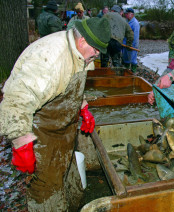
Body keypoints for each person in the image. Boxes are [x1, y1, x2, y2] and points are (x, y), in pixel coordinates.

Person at [0, 17, 111, 211]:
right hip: (41, 134)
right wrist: (21, 143)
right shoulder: (49, 59)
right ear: (83, 40)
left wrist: (82, 107)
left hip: (64, 130)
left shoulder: (79, 52)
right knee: (46, 189)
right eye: (96, 50)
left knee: (70, 180)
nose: (97, 55)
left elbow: (69, 83)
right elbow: (16, 101)